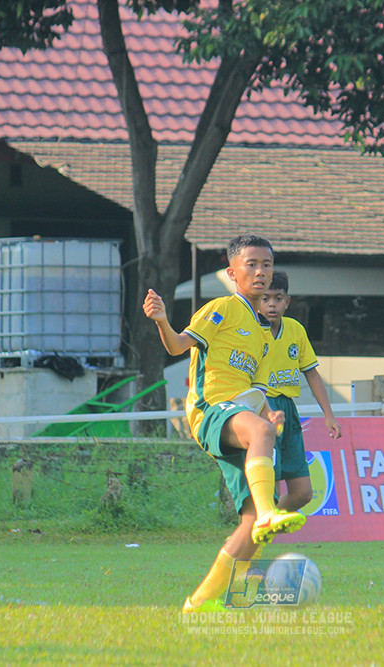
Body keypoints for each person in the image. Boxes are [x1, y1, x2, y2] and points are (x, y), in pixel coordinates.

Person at [143, 234, 306, 613]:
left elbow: (252, 388)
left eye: (267, 264)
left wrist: (268, 412)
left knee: (248, 523)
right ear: (233, 273)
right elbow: (177, 346)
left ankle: (200, 600)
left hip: (240, 413)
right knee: (263, 441)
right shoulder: (222, 308)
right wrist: (162, 320)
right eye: (252, 265)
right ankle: (270, 511)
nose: (261, 272)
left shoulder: (263, 332)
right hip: (211, 409)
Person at [258, 270, 341, 516]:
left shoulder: (295, 330)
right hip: (262, 409)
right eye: (265, 298)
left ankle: (261, 527)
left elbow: (312, 373)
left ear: (287, 301)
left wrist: (329, 414)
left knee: (303, 493)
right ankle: (257, 533)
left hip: (288, 410)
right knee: (268, 484)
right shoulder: (249, 331)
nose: (272, 304)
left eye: (278, 298)